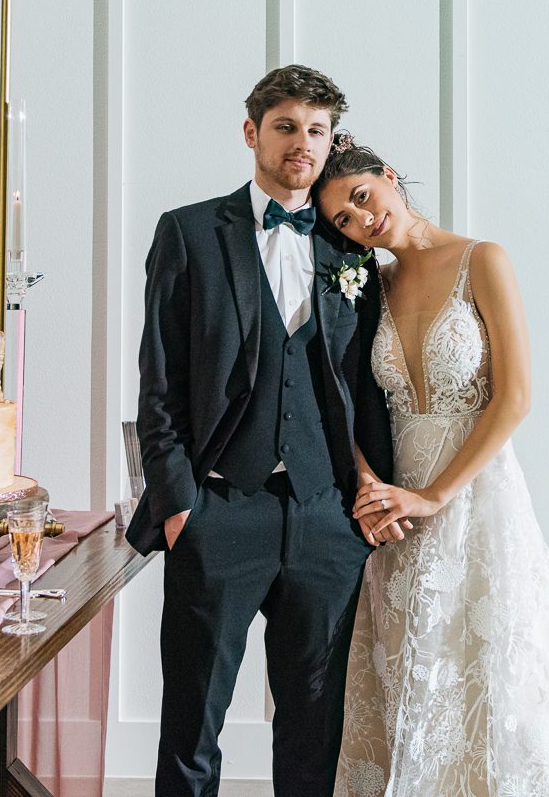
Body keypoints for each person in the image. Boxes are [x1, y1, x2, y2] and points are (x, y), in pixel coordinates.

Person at [313, 135, 549, 797]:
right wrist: (369, 480)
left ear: (388, 176)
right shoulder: (367, 286)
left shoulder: (481, 259)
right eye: (343, 219)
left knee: (493, 672)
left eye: (361, 196)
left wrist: (436, 494)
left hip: (475, 496)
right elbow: (341, 394)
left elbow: (516, 395)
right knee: (415, 675)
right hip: (397, 512)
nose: (360, 218)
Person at [126, 67, 397, 797]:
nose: (300, 144)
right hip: (219, 513)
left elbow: (370, 388)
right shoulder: (188, 233)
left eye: (316, 130)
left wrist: (365, 502)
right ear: (252, 133)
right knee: (192, 726)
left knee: (314, 732)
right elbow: (160, 383)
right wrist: (182, 505)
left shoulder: (352, 247)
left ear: (332, 139)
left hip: (325, 518)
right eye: (285, 127)